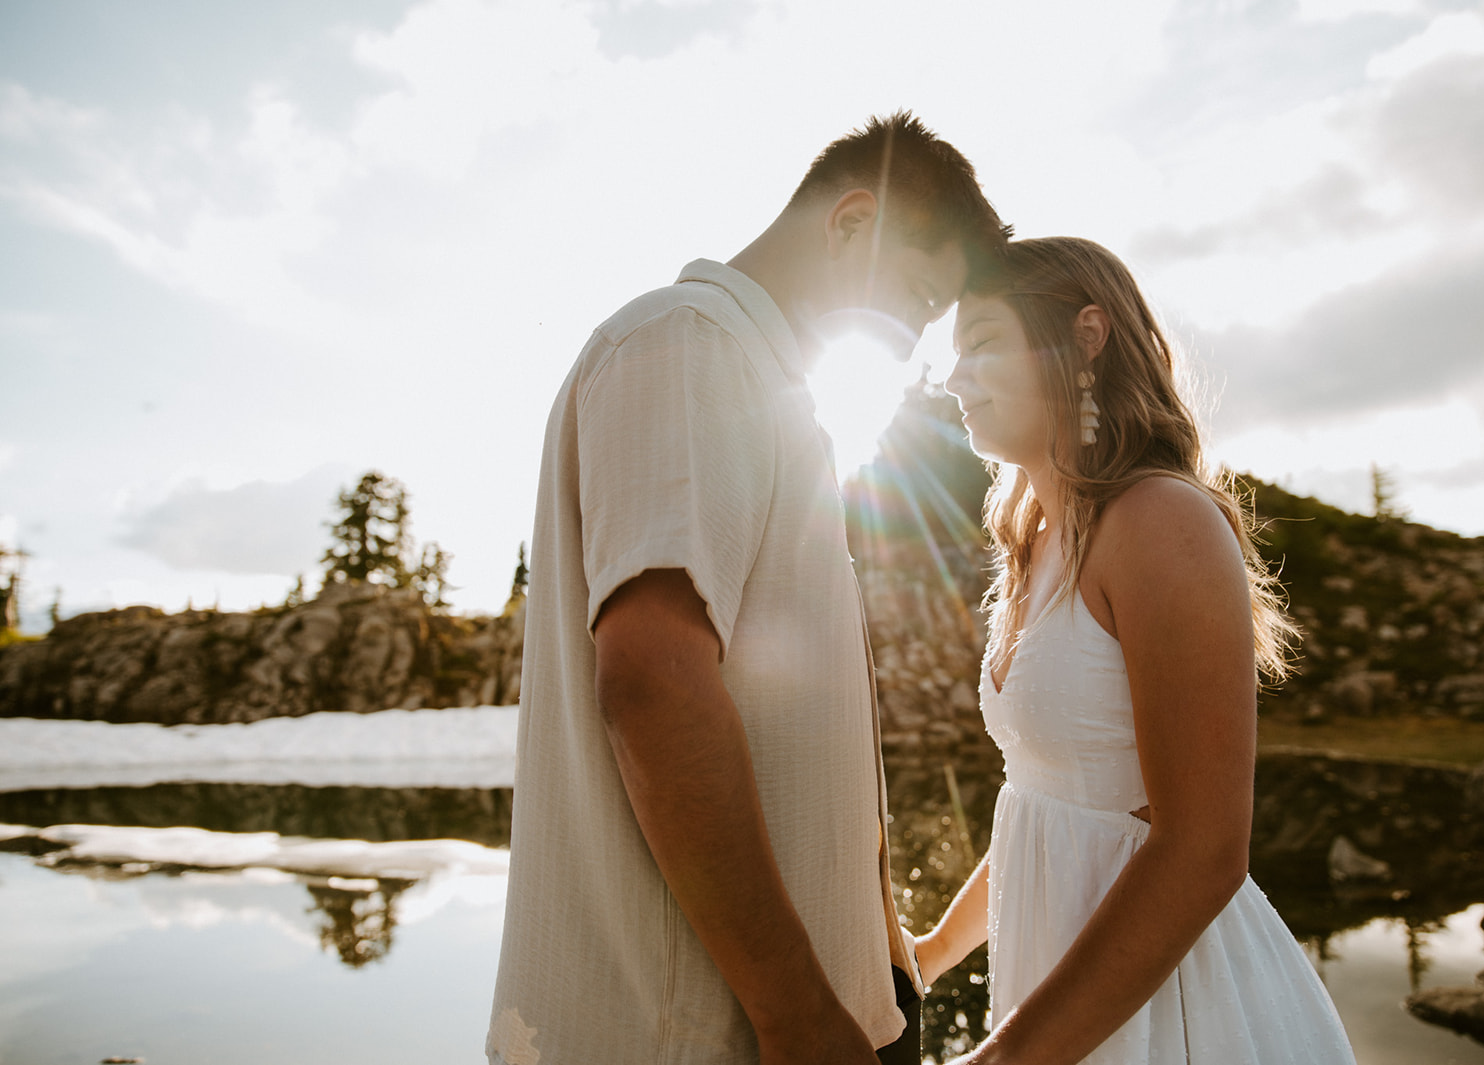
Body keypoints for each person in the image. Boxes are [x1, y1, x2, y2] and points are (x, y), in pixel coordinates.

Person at [485, 113, 1010, 1065]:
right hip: (696, 1034)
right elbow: (655, 686)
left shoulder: (755, 383)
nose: (907, 351)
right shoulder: (692, 349)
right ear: (853, 224)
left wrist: (872, 937)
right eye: (917, 299)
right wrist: (799, 1014)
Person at [917, 237, 1358, 1064]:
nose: (952, 378)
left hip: (1181, 1013)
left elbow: (1202, 848)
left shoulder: (1162, 522)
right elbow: (1047, 806)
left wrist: (1006, 1057)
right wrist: (932, 950)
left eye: (981, 341)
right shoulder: (1038, 541)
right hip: (1064, 999)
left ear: (1087, 337)